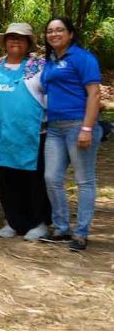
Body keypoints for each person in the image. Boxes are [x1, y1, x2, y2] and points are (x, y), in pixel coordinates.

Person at [0, 23, 50, 241]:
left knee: (33, 180)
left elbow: (51, 99)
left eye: (20, 38)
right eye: (11, 38)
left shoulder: (40, 67)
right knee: (4, 179)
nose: (15, 42)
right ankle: (13, 221)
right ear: (4, 42)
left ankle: (39, 223)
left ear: (28, 43)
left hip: (32, 135)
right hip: (1, 135)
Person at [40, 16, 102, 251]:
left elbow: (94, 95)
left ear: (70, 34)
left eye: (59, 30)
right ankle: (61, 228)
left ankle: (81, 232)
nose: (54, 34)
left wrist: (87, 128)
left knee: (84, 180)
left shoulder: (83, 58)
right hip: (55, 128)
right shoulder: (50, 61)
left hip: (79, 125)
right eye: (50, 31)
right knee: (51, 178)